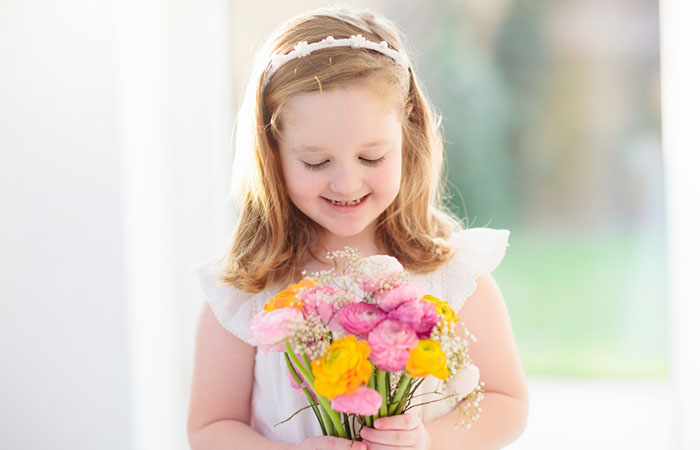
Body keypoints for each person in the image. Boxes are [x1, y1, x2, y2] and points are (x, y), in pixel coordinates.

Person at [187, 5, 528, 450]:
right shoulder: (245, 290)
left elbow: (507, 403)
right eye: (316, 161)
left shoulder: (452, 272)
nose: (346, 183)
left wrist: (427, 439)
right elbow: (210, 428)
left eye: (371, 158)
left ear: (407, 132)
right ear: (273, 151)